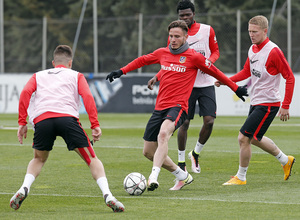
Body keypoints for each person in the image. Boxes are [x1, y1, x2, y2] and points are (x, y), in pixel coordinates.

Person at [106, 20, 248, 191]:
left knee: (164, 134)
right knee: (148, 152)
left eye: (177, 36)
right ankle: (182, 175)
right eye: (171, 36)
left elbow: (215, 71)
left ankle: (153, 177)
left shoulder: (194, 57)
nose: (173, 39)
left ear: (186, 37)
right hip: (160, 107)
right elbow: (142, 60)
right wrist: (121, 71)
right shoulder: (162, 53)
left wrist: (235, 88)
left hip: (179, 106)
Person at [10, 45, 125, 212]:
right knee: (92, 159)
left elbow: (26, 93)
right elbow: (87, 97)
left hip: (42, 121)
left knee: (38, 159)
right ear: (70, 63)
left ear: (53, 62)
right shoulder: (76, 75)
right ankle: (108, 195)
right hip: (67, 119)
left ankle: (23, 189)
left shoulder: (38, 75)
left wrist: (22, 122)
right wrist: (95, 125)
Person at [216, 15, 295, 185]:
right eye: (249, 31)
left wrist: (286, 105)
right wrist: (227, 81)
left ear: (265, 31)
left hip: (268, 104)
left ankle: (241, 177)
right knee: (253, 138)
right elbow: (246, 72)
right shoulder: (252, 49)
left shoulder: (274, 51)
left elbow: (290, 77)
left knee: (243, 137)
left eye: (255, 32)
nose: (251, 35)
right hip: (256, 101)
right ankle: (285, 160)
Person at [175, 0, 220, 177]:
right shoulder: (176, 33)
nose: (185, 18)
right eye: (181, 16)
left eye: (187, 15)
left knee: (209, 121)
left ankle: (195, 153)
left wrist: (209, 62)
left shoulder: (207, 30)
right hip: (186, 84)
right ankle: (181, 162)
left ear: (194, 14)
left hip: (206, 82)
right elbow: (172, 55)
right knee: (184, 122)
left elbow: (216, 51)